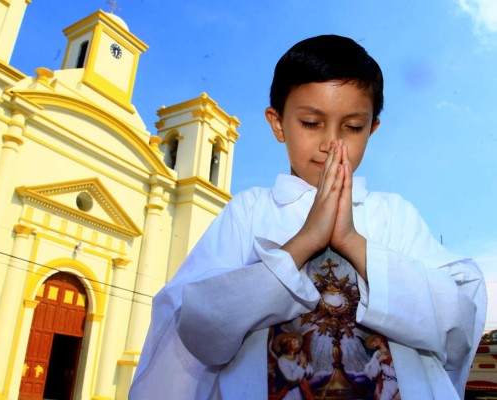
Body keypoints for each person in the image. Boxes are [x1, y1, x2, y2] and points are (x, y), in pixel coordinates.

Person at [129, 35, 487, 400]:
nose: (331, 144)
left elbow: (456, 328)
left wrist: (352, 241)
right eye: (312, 122)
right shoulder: (250, 212)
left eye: (352, 127)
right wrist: (303, 243)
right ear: (278, 123)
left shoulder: (394, 215)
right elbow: (201, 329)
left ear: (372, 129)